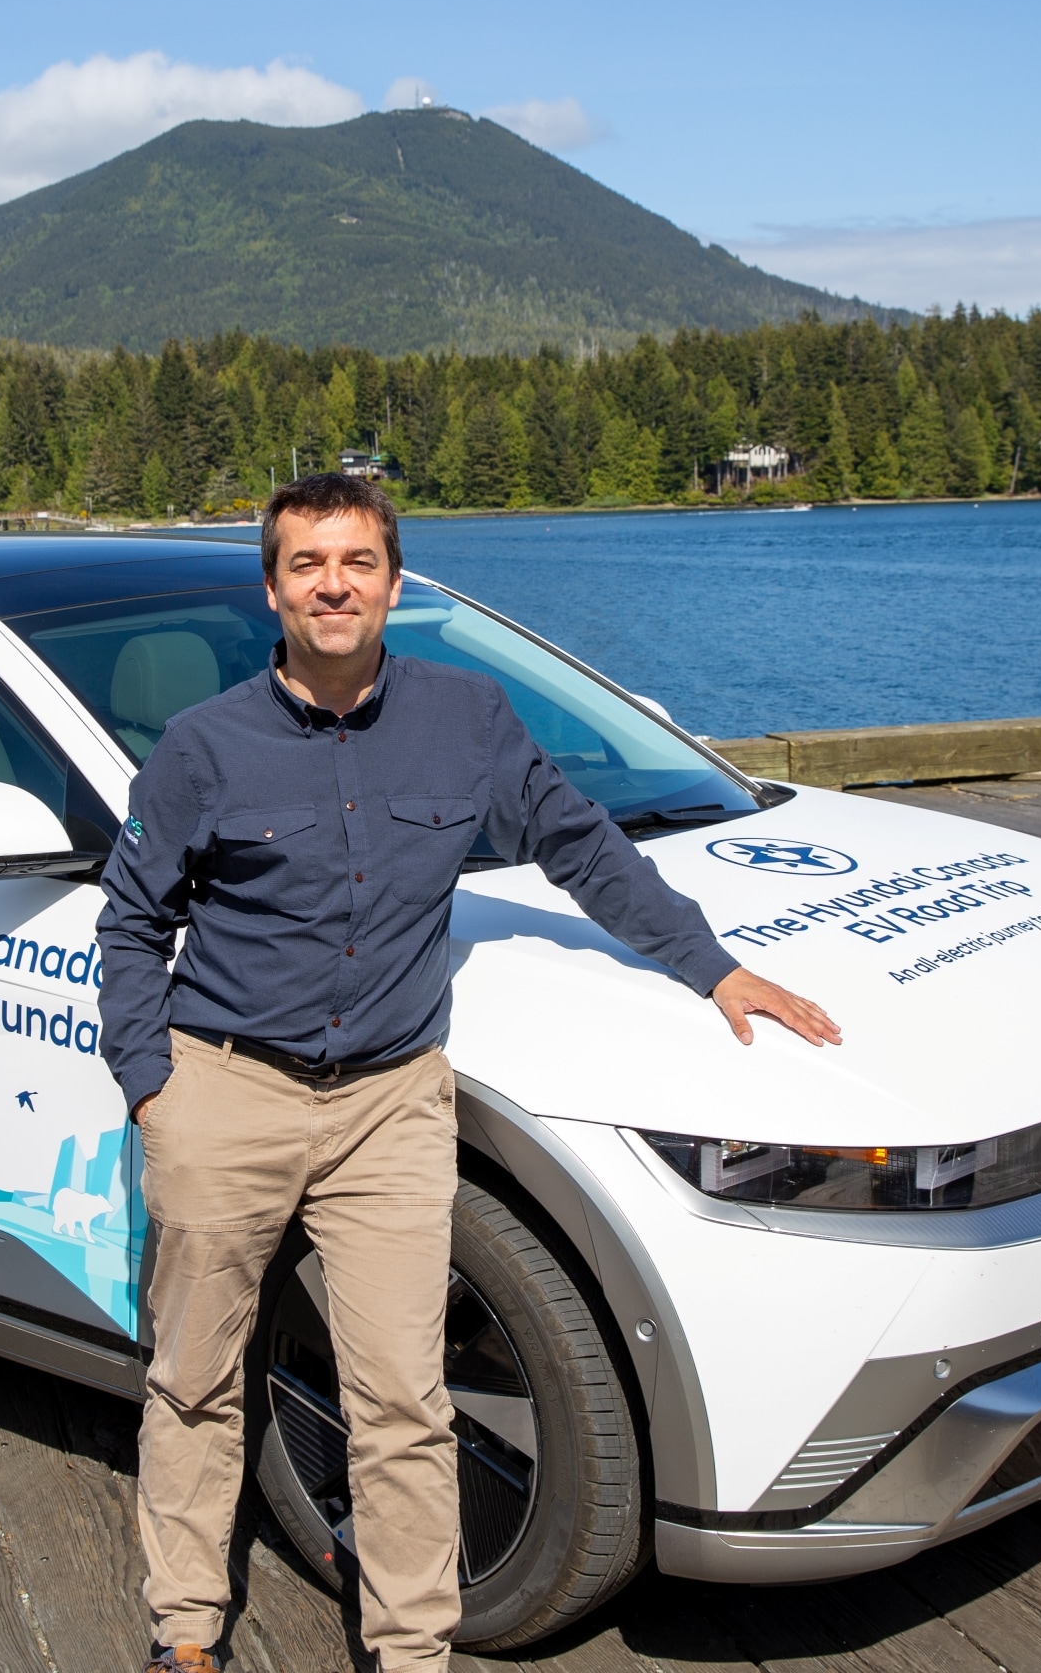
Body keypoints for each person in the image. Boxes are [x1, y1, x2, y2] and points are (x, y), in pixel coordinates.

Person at [96, 474, 839, 1673]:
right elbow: (131, 924)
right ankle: (186, 1631)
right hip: (225, 1095)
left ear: (393, 581)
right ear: (272, 589)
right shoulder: (203, 749)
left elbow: (583, 845)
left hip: (390, 1104)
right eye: (305, 565)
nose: (332, 585)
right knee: (193, 1379)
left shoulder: (470, 719)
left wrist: (712, 969)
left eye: (356, 563)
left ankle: (412, 1651)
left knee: (404, 1401)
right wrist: (154, 1088)